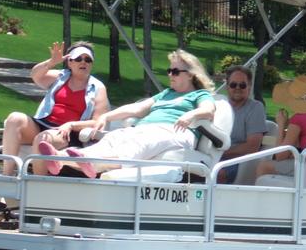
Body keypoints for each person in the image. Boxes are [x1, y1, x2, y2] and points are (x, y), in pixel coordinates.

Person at [37, 50, 216, 178]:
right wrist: (106, 116)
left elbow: (208, 110)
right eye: (169, 70)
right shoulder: (166, 93)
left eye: (175, 71)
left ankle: (91, 162)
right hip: (146, 128)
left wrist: (191, 115)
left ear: (191, 74)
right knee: (113, 139)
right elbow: (136, 109)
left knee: (138, 144)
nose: (170, 74)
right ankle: (59, 158)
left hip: (175, 131)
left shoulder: (199, 95)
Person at [1, 41, 110, 175]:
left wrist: (71, 125)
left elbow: (98, 121)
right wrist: (51, 62)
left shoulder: (98, 88)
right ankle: (6, 175)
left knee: (42, 139)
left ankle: (37, 183)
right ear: (70, 62)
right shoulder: (60, 76)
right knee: (14, 118)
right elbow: (35, 76)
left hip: (68, 133)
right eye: (78, 59)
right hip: (43, 123)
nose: (83, 62)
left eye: (88, 59)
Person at [217, 65, 268, 182]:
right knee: (184, 169)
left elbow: (252, 147)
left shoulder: (255, 108)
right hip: (213, 157)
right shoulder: (218, 106)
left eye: (243, 85)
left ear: (249, 87)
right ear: (227, 86)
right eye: (233, 84)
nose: (237, 88)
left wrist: (221, 154)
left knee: (215, 173)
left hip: (237, 162)